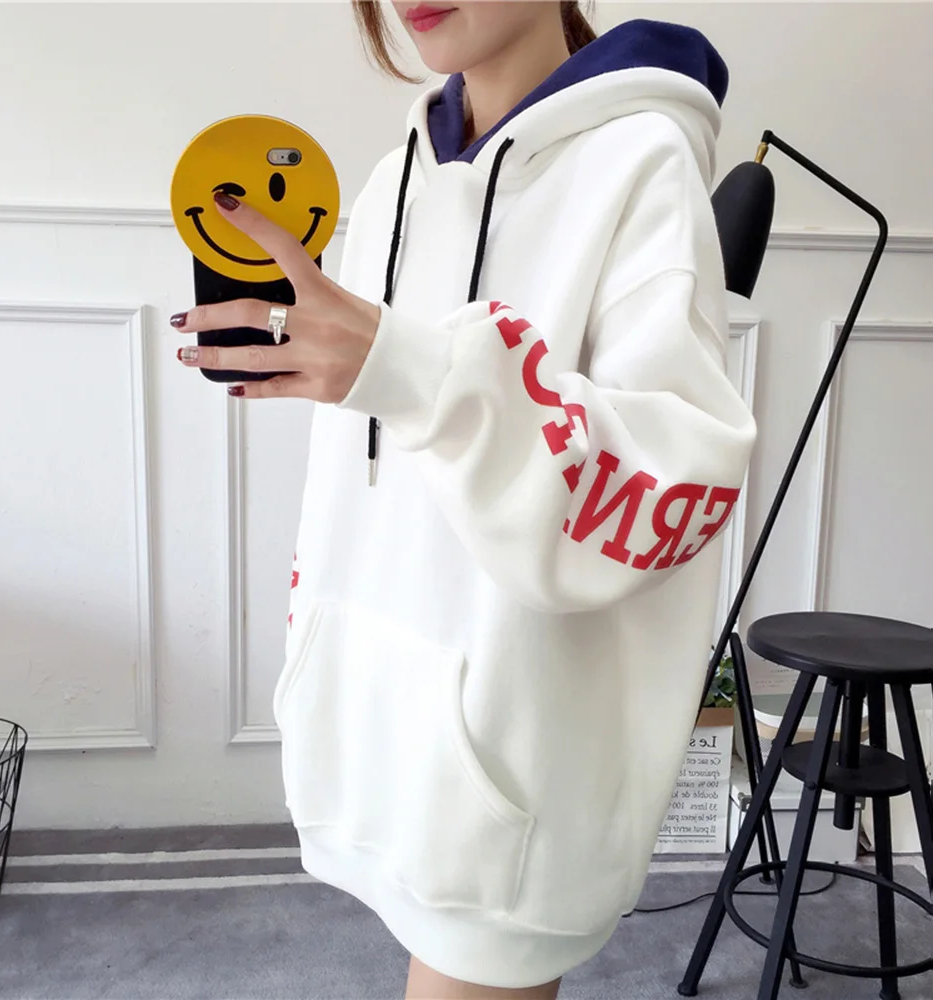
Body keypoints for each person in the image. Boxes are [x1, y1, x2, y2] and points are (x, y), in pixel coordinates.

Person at [171, 2, 757, 996]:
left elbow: (671, 483)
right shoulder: (393, 175)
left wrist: (417, 370)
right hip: (382, 740)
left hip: (508, 785)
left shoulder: (640, 164)